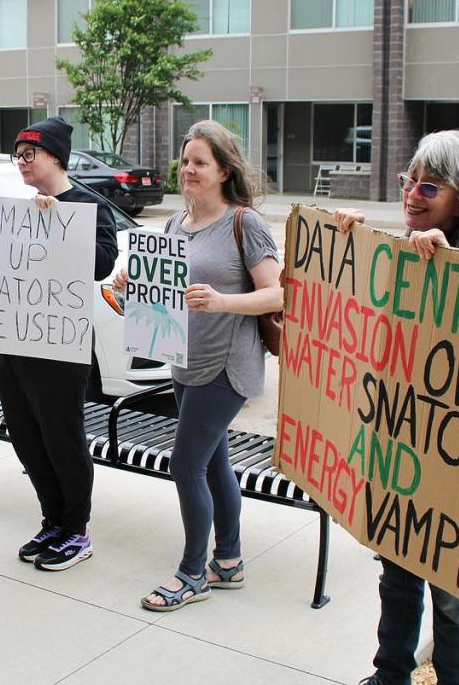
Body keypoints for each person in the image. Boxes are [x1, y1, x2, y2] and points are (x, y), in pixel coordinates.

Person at [334, 129, 459, 685]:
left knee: (456, 601)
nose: (412, 194)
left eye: (429, 186)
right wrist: (349, 251)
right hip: (402, 453)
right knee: (398, 579)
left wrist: (450, 266)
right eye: (409, 182)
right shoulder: (404, 253)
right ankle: (390, 676)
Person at [112, 119, 283, 611]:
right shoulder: (174, 224)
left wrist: (223, 301)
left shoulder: (242, 222)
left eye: (199, 163)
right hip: (184, 360)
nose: (188, 169)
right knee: (213, 462)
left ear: (224, 171)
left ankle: (192, 573)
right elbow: (165, 299)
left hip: (227, 366)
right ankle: (228, 561)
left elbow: (276, 292)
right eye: (185, 161)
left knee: (185, 464)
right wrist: (135, 285)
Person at [0, 116, 118, 570]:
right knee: (26, 438)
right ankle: (52, 520)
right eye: (19, 156)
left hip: (60, 348)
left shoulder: (88, 205)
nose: (23, 163)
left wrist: (61, 224)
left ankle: (76, 529)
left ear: (55, 158)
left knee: (63, 438)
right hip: (15, 342)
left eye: (30, 155)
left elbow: (103, 264)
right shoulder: (21, 207)